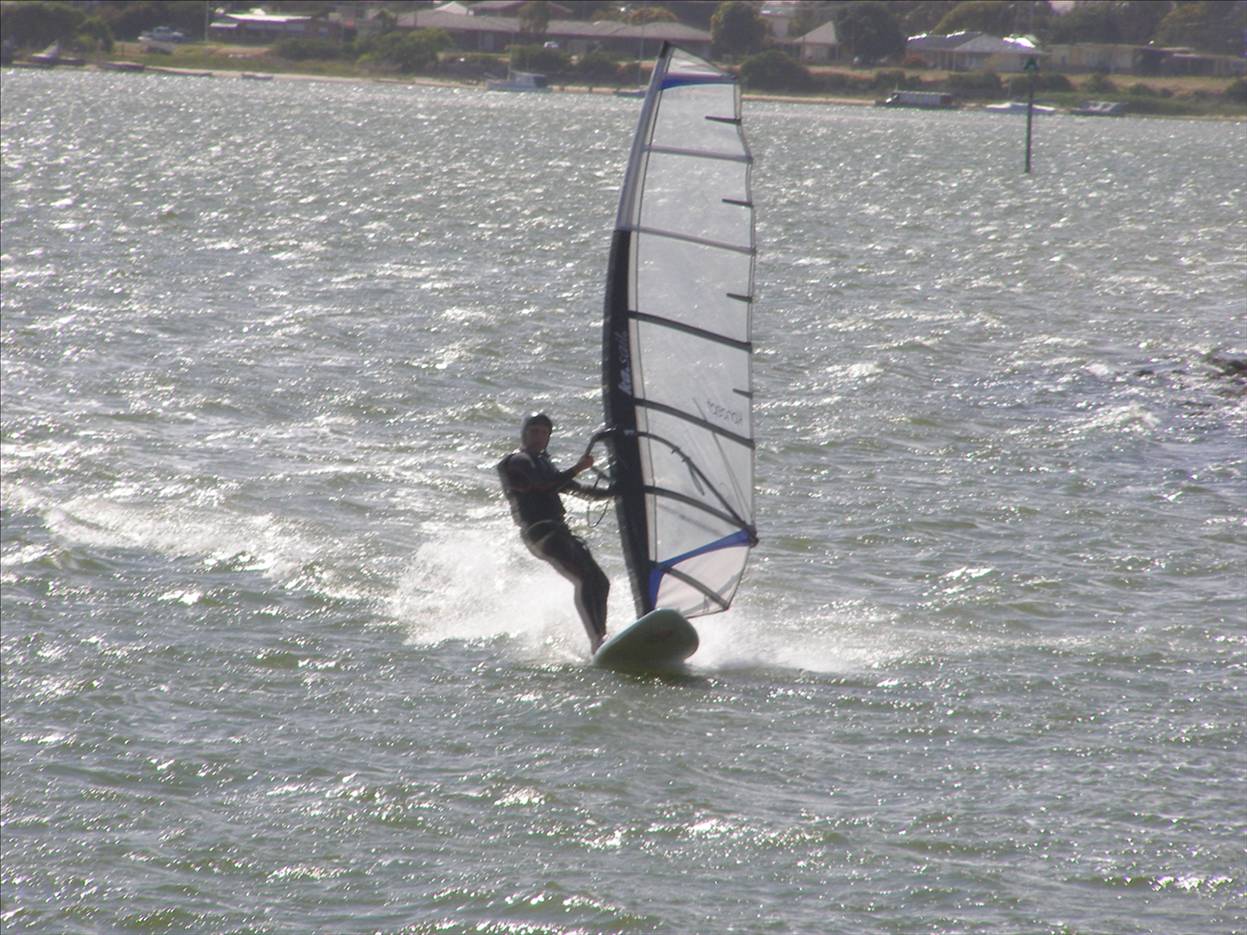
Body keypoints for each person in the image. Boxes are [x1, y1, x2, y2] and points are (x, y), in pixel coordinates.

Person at [498, 413, 614, 652]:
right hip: (539, 533)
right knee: (583, 578)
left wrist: (621, 491)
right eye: (534, 431)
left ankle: (602, 637)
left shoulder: (545, 464)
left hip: (558, 531)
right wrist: (578, 468)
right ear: (525, 434)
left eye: (544, 432)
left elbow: (579, 490)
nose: (539, 436)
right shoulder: (519, 461)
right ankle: (597, 642)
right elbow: (541, 485)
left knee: (600, 582)